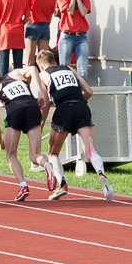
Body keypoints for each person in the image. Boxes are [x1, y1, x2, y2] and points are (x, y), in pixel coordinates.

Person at [35, 50, 112, 201]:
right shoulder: (69, 69)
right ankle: (101, 176)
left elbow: (44, 100)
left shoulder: (43, 75)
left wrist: (41, 123)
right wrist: (75, 98)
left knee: (53, 153)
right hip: (81, 107)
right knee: (90, 151)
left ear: (41, 67)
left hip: (64, 109)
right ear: (54, 62)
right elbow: (89, 91)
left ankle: (61, 185)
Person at [0, 65, 55, 201]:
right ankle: (46, 165)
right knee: (35, 155)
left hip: (14, 112)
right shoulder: (15, 74)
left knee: (11, 154)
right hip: (32, 107)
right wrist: (40, 93)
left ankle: (23, 186)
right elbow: (33, 68)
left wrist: (0, 141)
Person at [57, 0, 91, 79]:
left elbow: (83, 11)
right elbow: (70, 11)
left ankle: (82, 95)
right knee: (64, 69)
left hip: (81, 36)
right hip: (67, 35)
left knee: (82, 71)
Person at [24, 0, 55, 67]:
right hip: (45, 25)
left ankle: (26, 82)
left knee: (29, 59)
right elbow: (51, 12)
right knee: (45, 60)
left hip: (33, 24)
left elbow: (27, 8)